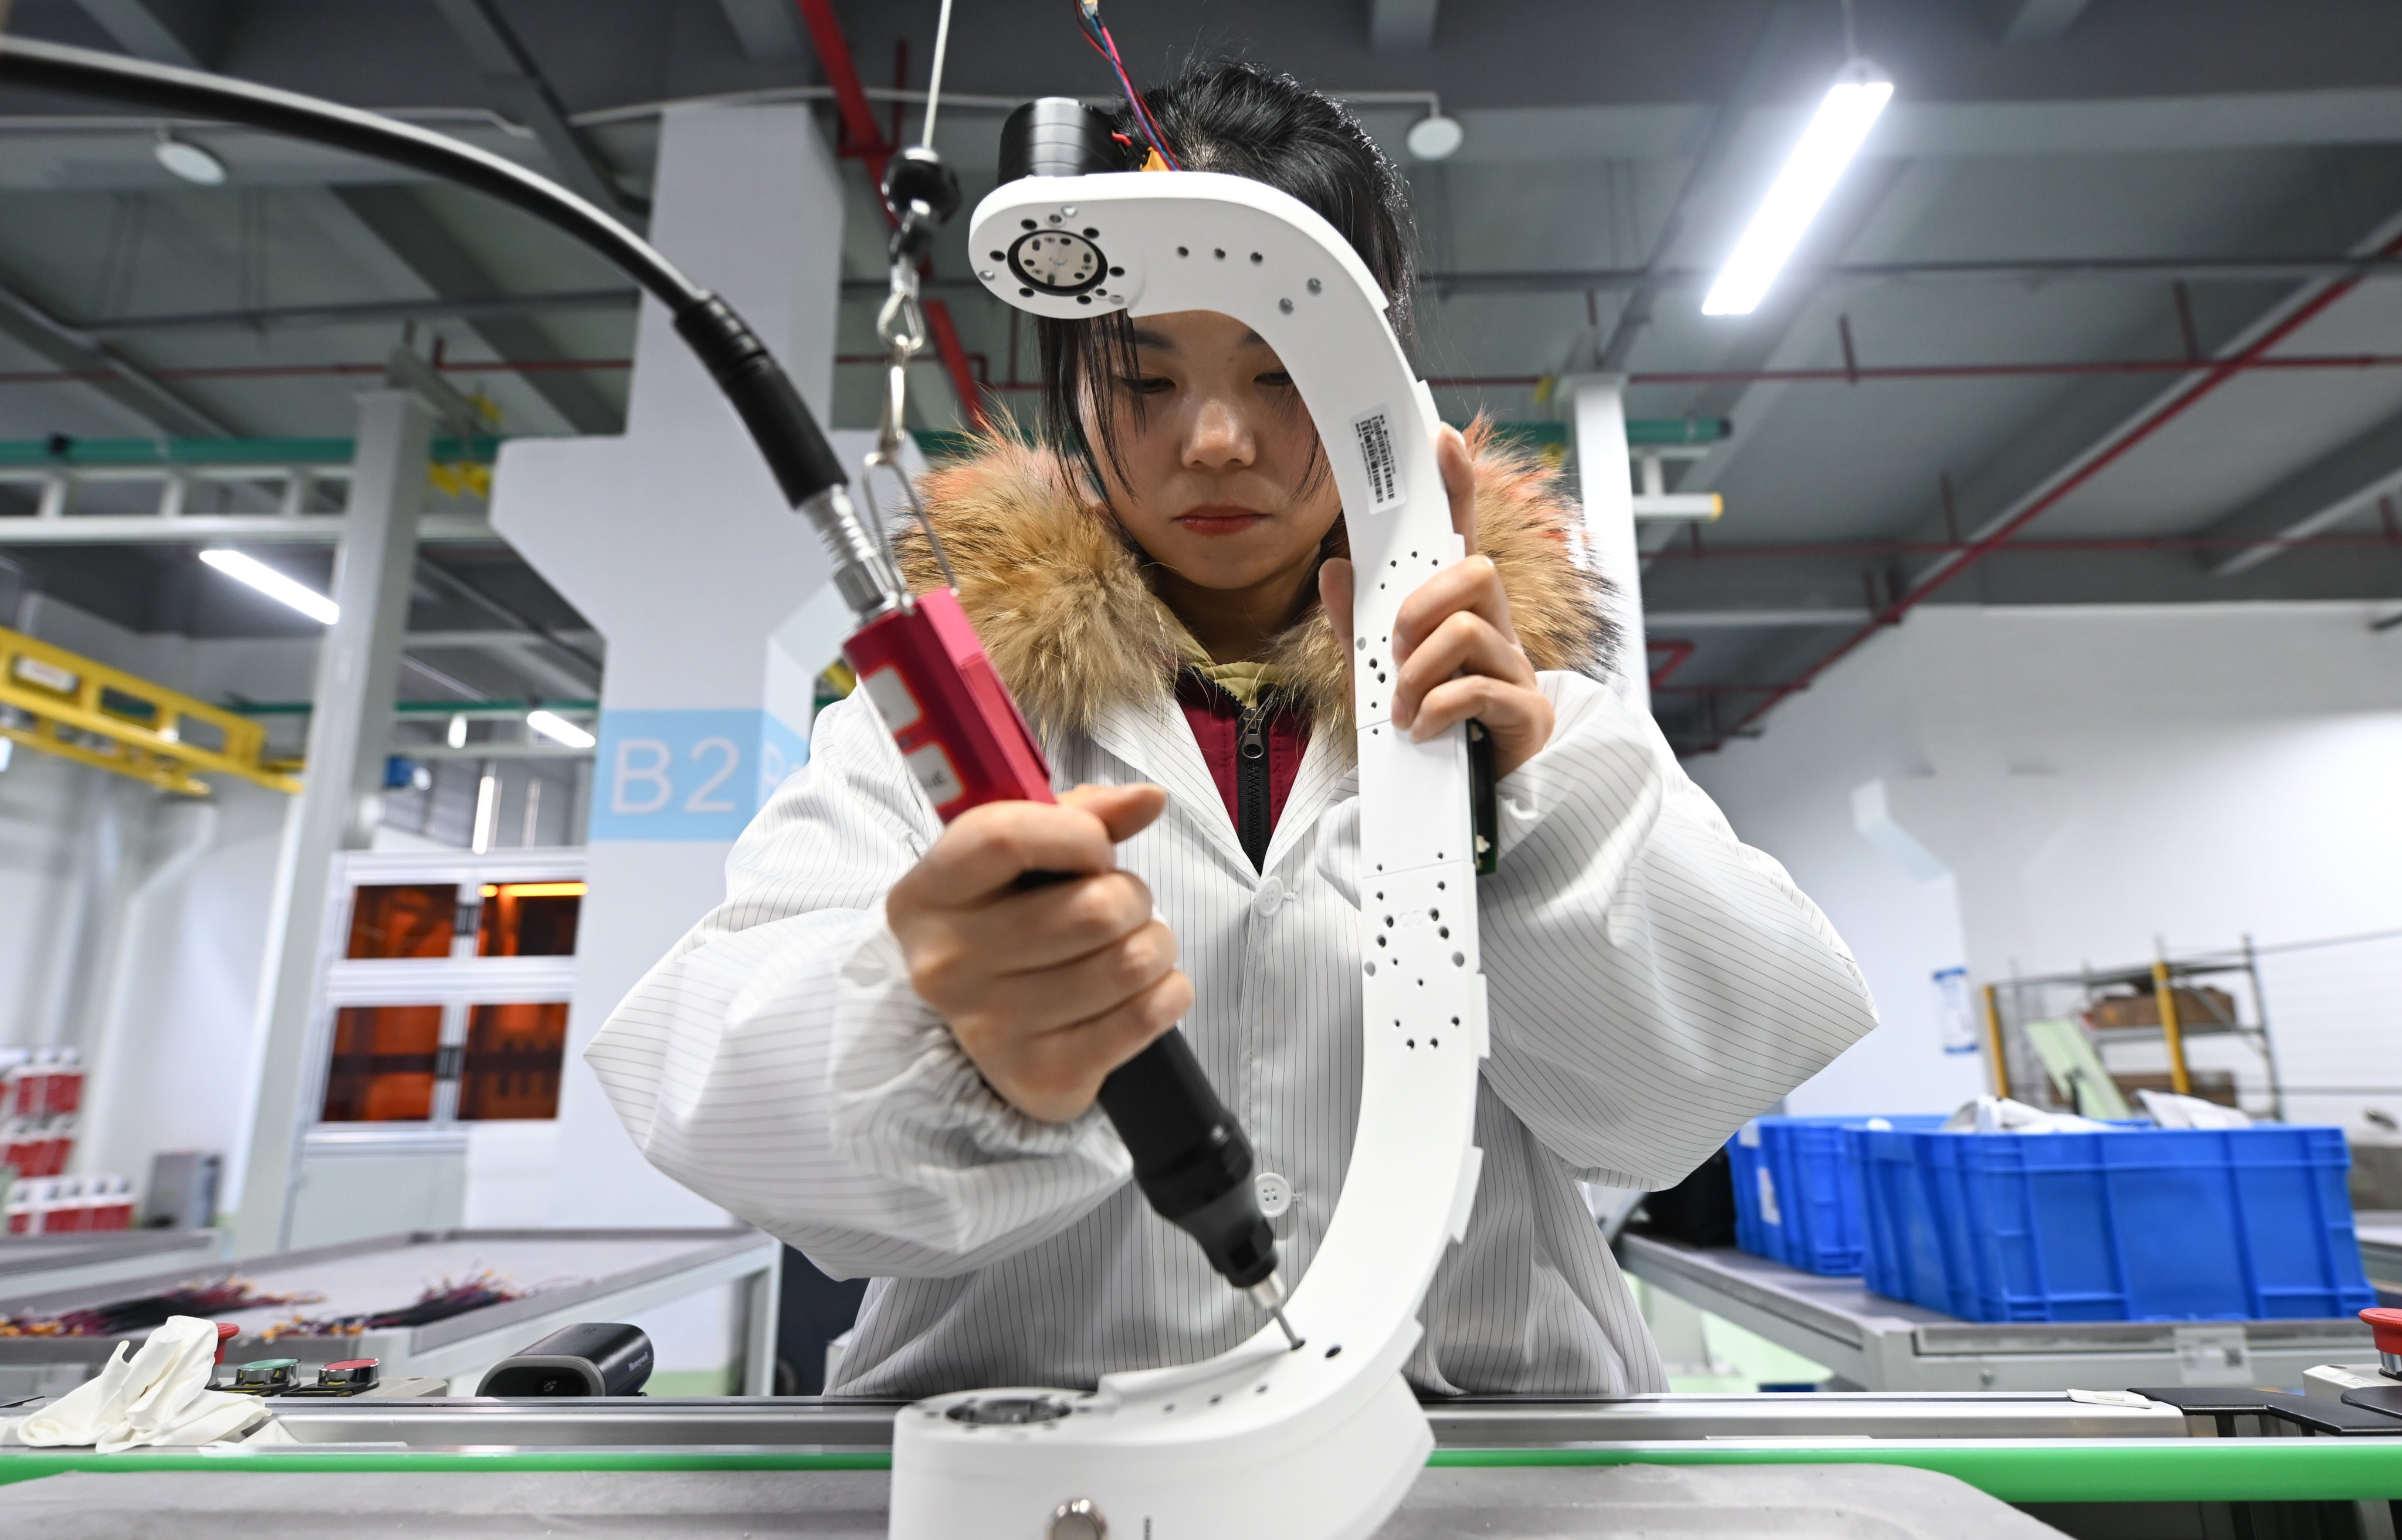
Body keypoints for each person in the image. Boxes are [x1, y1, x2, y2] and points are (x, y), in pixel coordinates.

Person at [587, 62, 1876, 1398]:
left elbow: (1676, 1107)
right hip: (1020, 1467)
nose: (1213, 441)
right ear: (1073, 381)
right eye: (1146, 379)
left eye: (1280, 375)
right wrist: (931, 1021)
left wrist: (1529, 812)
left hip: (1487, 1483)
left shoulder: (1537, 722)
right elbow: (719, 1085)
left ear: (1377, 376)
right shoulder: (946, 728)